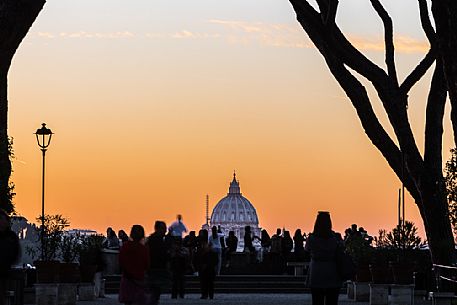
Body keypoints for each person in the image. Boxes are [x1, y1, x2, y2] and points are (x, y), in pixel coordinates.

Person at [305, 211, 343, 305]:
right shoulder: (335, 238)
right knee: (332, 301)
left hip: (316, 271)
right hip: (332, 271)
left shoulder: (312, 238)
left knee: (317, 301)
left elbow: (307, 250)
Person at [119, 225, 149, 305]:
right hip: (139, 280)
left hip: (128, 279)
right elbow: (146, 264)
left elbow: (121, 262)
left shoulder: (125, 247)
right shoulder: (143, 249)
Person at [145, 221, 170, 305]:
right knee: (154, 291)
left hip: (156, 268)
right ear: (158, 229)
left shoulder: (152, 240)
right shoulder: (154, 241)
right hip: (155, 269)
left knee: (155, 291)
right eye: (163, 229)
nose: (165, 231)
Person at [0, 210, 20, 305]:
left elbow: (16, 253)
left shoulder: (11, 236)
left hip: (5, 272)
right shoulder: (11, 237)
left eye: (2, 220)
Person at [194, 230, 218, 299]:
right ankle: (206, 294)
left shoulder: (208, 245)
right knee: (204, 282)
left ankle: (208, 294)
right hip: (204, 265)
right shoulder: (201, 244)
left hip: (208, 266)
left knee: (208, 282)